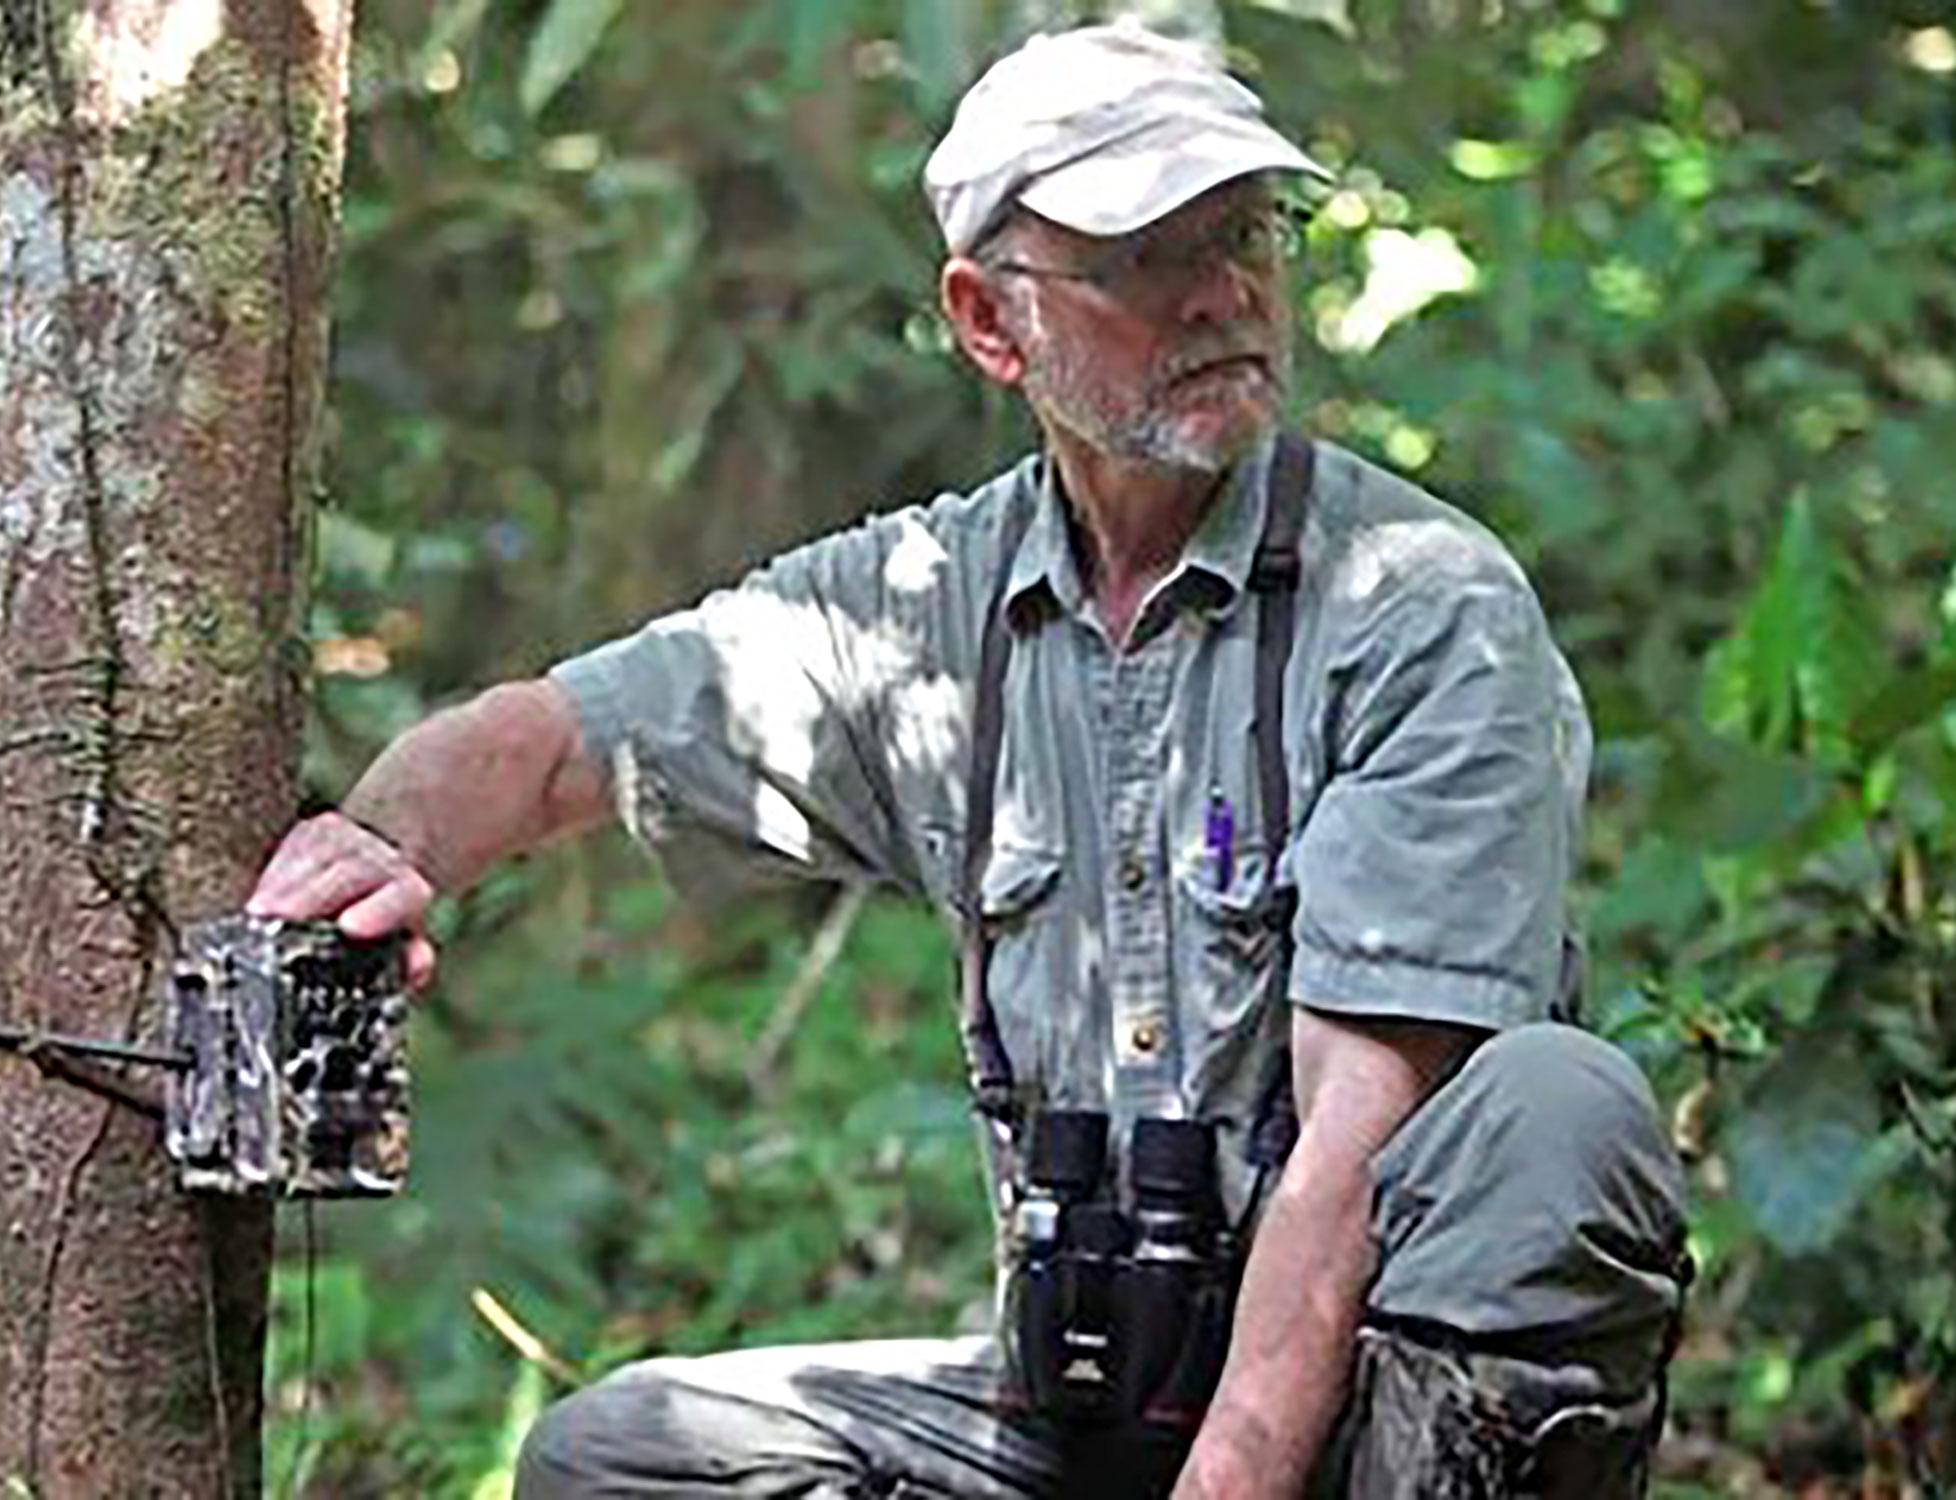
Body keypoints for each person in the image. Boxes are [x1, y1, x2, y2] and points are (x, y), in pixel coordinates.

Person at [248, 22, 1689, 1498]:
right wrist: (381, 844)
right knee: (625, 1457)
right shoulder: (923, 604)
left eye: (1247, 234)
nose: (1223, 294)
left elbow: (1351, 1156)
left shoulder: (1418, 604)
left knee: (1553, 1112)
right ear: (990, 323)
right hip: (1089, 1393)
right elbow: (565, 742)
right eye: (1147, 257)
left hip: (1370, 1413)